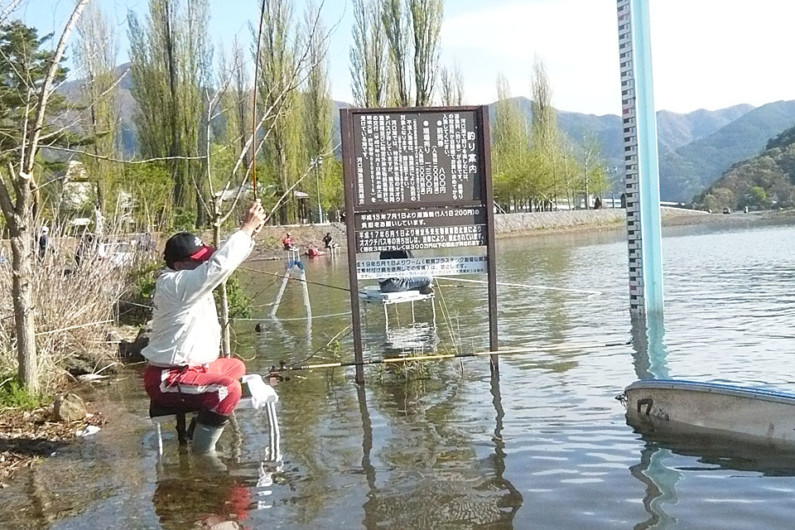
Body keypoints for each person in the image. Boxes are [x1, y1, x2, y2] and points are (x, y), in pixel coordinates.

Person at [142, 201, 266, 454]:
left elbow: (220, 266)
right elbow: (218, 267)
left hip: (192, 368)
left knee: (235, 366)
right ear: (179, 266)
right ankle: (204, 457)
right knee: (227, 389)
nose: (204, 264)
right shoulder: (175, 284)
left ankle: (196, 430)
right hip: (168, 377)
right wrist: (245, 228)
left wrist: (250, 234)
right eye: (198, 261)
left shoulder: (187, 281)